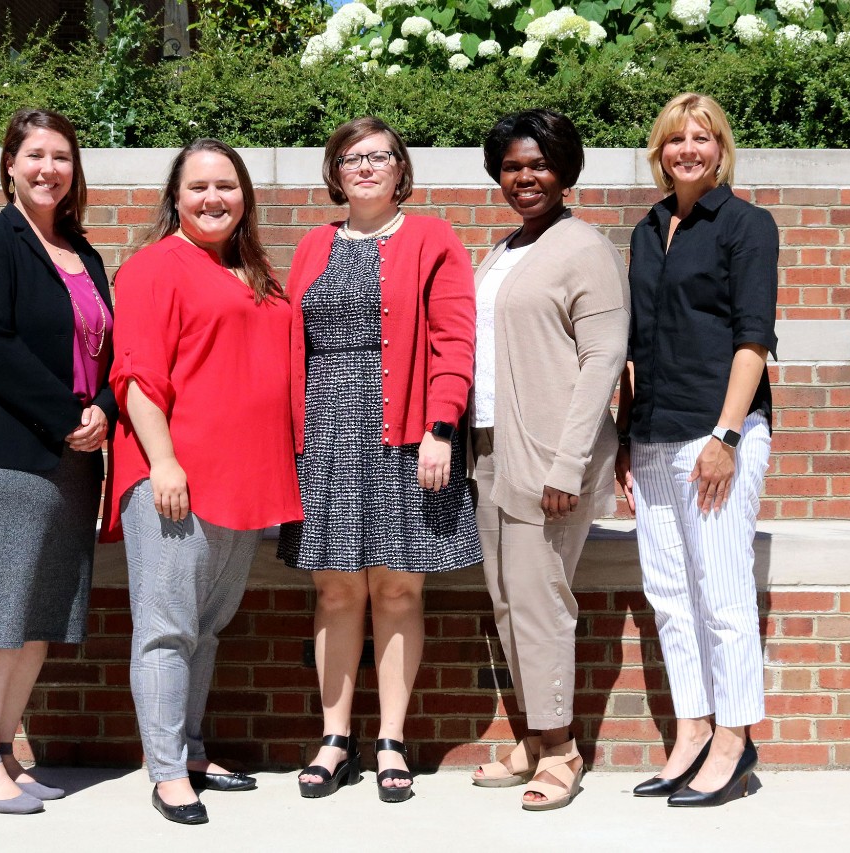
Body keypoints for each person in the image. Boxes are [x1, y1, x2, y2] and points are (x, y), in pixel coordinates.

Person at [277, 116, 481, 804]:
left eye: (379, 157)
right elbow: (288, 344)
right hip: (327, 434)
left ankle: (391, 736)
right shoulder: (312, 245)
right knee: (336, 588)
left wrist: (442, 425)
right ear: (335, 173)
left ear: (401, 169)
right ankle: (335, 736)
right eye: (351, 158)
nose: (365, 167)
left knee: (398, 587)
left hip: (406, 433)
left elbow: (455, 339)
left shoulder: (432, 237)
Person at [102, 138, 303, 826]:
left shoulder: (255, 272)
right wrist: (162, 461)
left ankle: (187, 748)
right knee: (165, 628)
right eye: (198, 187)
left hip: (243, 481)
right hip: (176, 479)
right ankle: (165, 772)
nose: (213, 197)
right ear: (176, 198)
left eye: (226, 185)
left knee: (206, 628)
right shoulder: (154, 268)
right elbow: (134, 374)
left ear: (244, 195)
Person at [0, 108, 115, 815]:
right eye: (35, 154)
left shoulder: (83, 251)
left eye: (62, 157)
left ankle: (5, 751)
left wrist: (99, 403)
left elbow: (107, 348)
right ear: (9, 163)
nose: (48, 168)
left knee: (40, 615)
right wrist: (72, 414)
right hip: (3, 453)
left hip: (73, 461)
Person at [615, 92, 778, 807]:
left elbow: (753, 338)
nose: (688, 148)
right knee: (671, 598)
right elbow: (634, 348)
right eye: (676, 138)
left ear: (721, 148)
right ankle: (691, 732)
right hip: (652, 434)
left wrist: (727, 434)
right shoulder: (648, 229)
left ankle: (735, 743)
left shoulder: (746, 224)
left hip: (716, 436)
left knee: (723, 595)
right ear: (660, 149)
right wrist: (624, 437)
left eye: (702, 138)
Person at [466, 110, 629, 811]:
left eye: (537, 164)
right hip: (491, 446)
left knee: (540, 599)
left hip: (550, 455)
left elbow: (603, 359)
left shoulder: (583, 247)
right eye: (511, 166)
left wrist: (568, 464)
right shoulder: (503, 249)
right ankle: (534, 736)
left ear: (565, 170)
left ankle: (561, 746)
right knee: (506, 599)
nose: (524, 177)